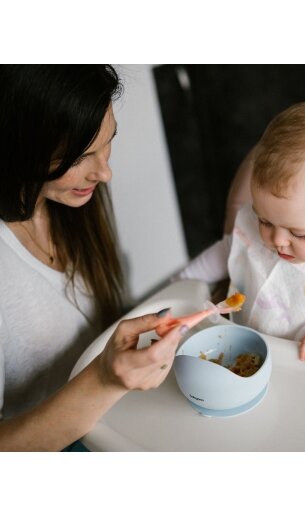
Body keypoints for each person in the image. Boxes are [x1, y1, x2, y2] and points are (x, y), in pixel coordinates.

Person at [0, 65, 188, 451]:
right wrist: (103, 380)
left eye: (108, 141)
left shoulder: (66, 202)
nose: (105, 173)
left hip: (114, 419)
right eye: (80, 156)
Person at [176, 102, 305, 367]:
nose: (276, 240)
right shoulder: (265, 224)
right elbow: (230, 250)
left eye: (299, 234)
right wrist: (182, 285)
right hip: (248, 355)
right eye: (264, 220)